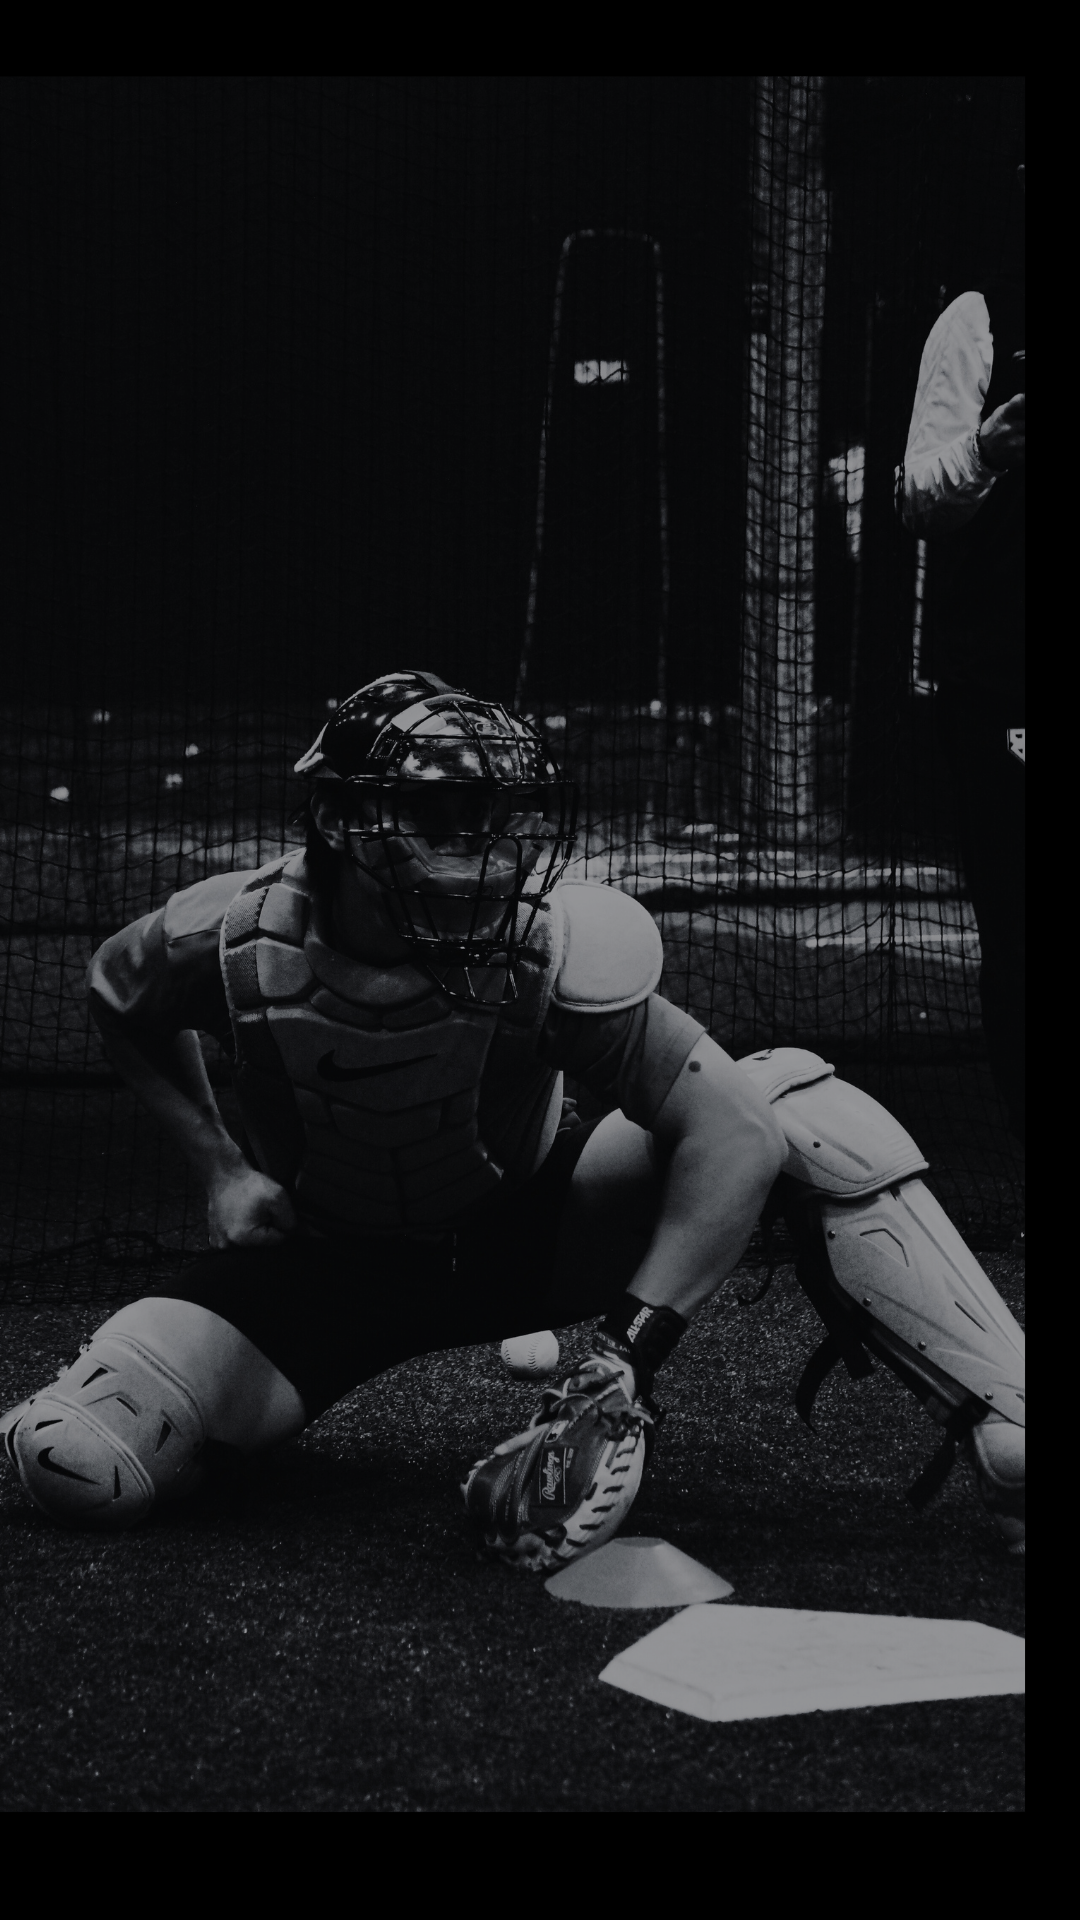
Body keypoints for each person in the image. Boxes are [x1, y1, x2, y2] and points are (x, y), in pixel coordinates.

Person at [2, 671, 1025, 1559]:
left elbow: (735, 1137)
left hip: (527, 1239)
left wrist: (622, 1361)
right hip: (316, 1271)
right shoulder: (229, 937)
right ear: (343, 819)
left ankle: (1015, 1428)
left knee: (791, 1101)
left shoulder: (550, 948)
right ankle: (226, 1419)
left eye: (489, 817)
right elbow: (115, 997)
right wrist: (219, 1165)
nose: (479, 852)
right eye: (436, 815)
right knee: (77, 1461)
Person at [897, 165, 1025, 1141]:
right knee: (1018, 908)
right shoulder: (980, 317)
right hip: (1004, 671)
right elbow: (914, 495)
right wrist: (986, 450)